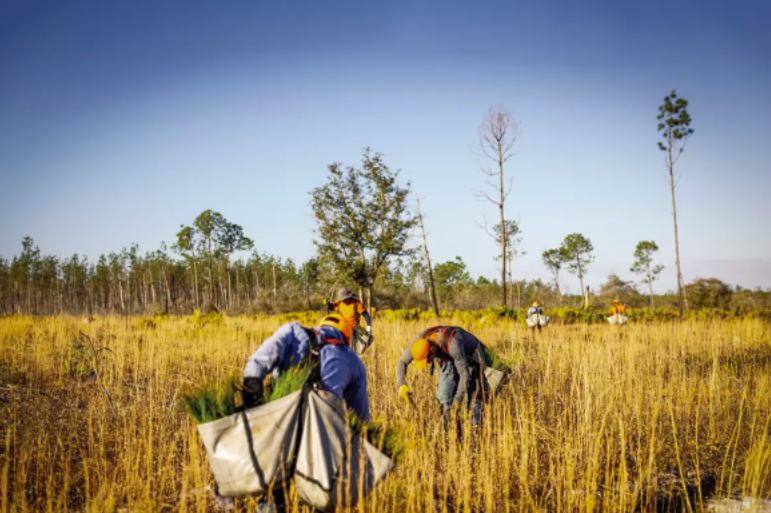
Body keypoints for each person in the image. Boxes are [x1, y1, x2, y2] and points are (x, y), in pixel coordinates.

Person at [215, 314, 369, 512]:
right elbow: (360, 419)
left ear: (319, 327)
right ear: (346, 338)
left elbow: (256, 365)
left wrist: (256, 408)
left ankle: (244, 495)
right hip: (320, 439)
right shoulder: (353, 360)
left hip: (280, 427)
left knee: (273, 489)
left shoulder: (292, 332)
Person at [396, 326, 487, 426]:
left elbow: (464, 374)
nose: (428, 363)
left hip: (472, 354)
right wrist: (401, 384)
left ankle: (477, 431)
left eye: (427, 359)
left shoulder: (453, 344)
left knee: (473, 398)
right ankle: (450, 431)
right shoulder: (418, 342)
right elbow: (402, 361)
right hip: (448, 357)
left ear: (432, 349)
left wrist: (458, 399)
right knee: (444, 399)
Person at [326, 289, 373, 354]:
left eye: (345, 299)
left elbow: (366, 315)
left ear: (349, 297)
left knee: (369, 338)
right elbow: (332, 307)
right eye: (342, 300)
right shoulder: (339, 303)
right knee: (349, 350)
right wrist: (329, 305)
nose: (344, 301)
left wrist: (369, 327)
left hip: (356, 328)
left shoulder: (357, 304)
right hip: (343, 329)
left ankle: (358, 353)